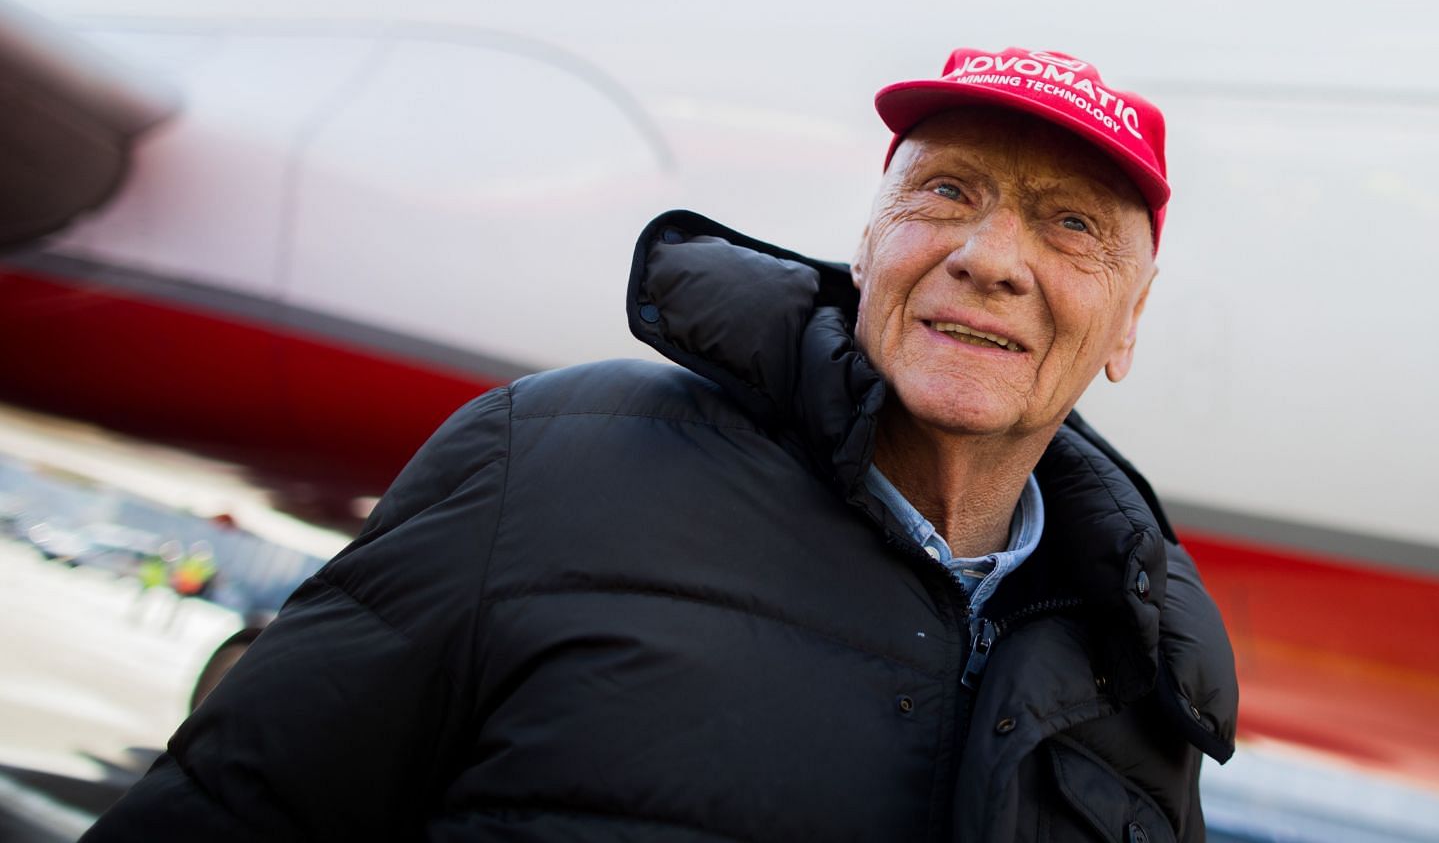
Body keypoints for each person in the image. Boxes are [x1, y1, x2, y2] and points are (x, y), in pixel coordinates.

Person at [85, 45, 1238, 842]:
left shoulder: (1141, 666)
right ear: (872, 241)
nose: (990, 254)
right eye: (945, 191)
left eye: (1071, 222)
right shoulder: (546, 462)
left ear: (1127, 322)